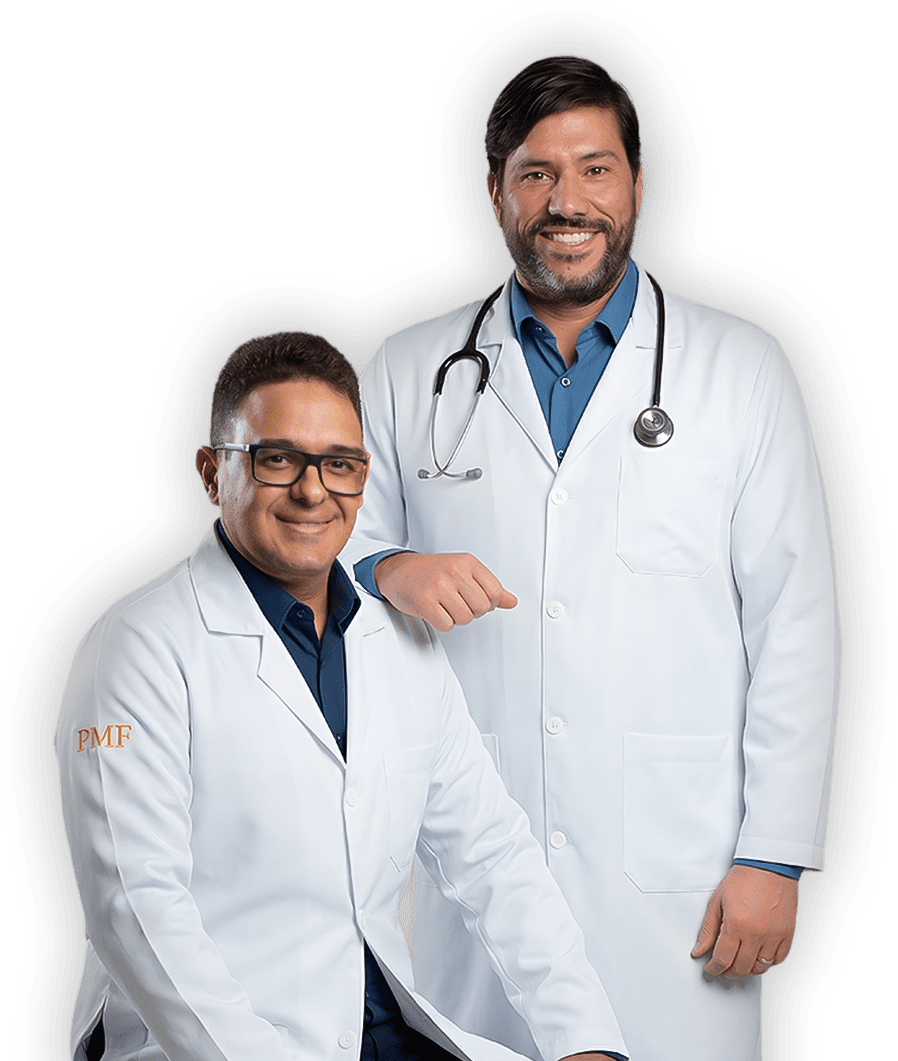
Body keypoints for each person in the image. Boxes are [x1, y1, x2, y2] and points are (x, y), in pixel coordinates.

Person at [340, 55, 841, 1061]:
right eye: (535, 173)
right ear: (495, 193)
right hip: (473, 865)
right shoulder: (409, 367)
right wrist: (388, 568)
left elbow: (796, 621)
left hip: (681, 878)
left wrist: (775, 854)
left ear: (639, 185)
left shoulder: (742, 366)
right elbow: (324, 541)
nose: (566, 201)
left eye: (595, 169)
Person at [54, 331, 629, 1061]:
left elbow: (492, 855)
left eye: (341, 464)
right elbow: (137, 911)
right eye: (277, 459)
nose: (313, 490)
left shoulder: (399, 640)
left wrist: (584, 1041)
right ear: (211, 472)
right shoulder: (136, 646)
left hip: (384, 1037)